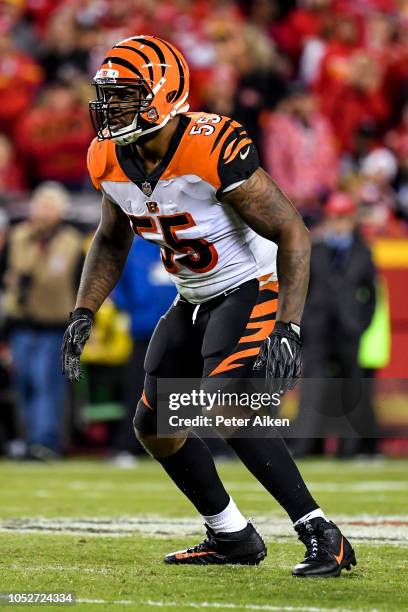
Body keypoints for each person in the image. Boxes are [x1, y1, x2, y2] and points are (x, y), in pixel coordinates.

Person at [61, 35, 356, 577]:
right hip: (193, 295)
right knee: (154, 425)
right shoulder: (107, 156)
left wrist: (287, 325)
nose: (110, 109)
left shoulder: (208, 145)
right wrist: (84, 310)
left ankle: (322, 533)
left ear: (164, 93)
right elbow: (109, 238)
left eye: (125, 96)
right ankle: (232, 535)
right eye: (107, 96)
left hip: (250, 286)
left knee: (223, 406)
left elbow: (293, 231)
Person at [293, 192, 377, 457]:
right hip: (318, 327)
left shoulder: (362, 252)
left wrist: (360, 323)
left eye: (343, 217)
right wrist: (304, 322)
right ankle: (306, 444)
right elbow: (300, 290)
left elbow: (371, 295)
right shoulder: (315, 250)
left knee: (351, 387)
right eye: (335, 217)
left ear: (351, 219)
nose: (339, 223)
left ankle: (349, 447)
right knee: (313, 387)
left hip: (348, 328)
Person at [4, 182, 84, 459]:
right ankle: (28, 441)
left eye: (49, 206)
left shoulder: (73, 242)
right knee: (24, 382)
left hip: (56, 324)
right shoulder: (18, 236)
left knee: (47, 383)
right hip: (21, 322)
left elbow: (81, 285)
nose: (43, 212)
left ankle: (45, 442)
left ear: (61, 211)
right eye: (40, 205)